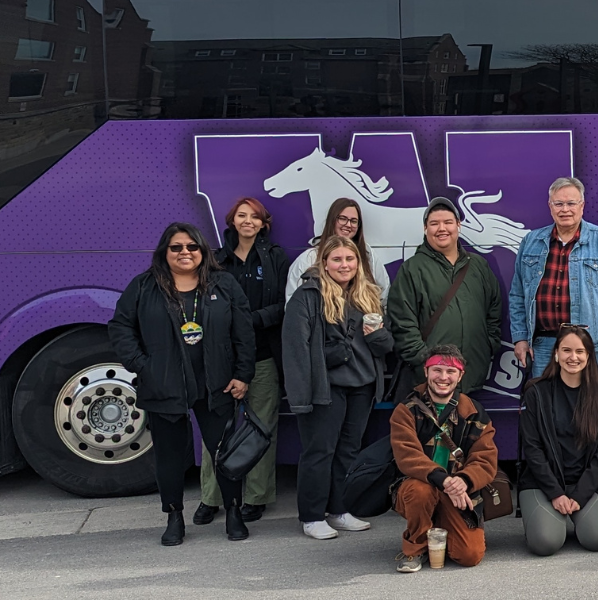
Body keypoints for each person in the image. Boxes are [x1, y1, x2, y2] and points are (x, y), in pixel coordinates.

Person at [107, 223, 256, 545]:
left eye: (192, 246)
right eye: (176, 247)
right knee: (170, 457)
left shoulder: (224, 284)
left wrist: (243, 375)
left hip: (216, 384)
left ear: (203, 251)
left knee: (225, 454)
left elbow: (244, 333)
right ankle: (174, 516)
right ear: (165, 252)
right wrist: (143, 367)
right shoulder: (144, 287)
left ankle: (233, 512)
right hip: (164, 386)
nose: (185, 253)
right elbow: (120, 328)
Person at [282, 236, 394, 540]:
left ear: (358, 263)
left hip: (362, 386)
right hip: (325, 389)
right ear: (324, 263)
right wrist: (300, 396)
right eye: (337, 259)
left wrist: (376, 335)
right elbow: (295, 349)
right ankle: (312, 516)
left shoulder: (367, 295)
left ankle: (340, 509)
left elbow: (386, 346)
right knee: (320, 452)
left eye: (350, 259)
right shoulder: (308, 296)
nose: (344, 265)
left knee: (348, 450)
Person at [190, 198, 291, 526]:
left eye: (255, 217)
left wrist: (248, 320)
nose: (248, 221)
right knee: (215, 429)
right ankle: (211, 497)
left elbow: (283, 305)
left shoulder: (275, 257)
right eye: (242, 215)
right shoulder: (215, 260)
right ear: (232, 220)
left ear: (264, 223)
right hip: (222, 360)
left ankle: (256, 496)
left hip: (263, 356)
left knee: (263, 427)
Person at [391, 345, 500, 572]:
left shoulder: (474, 412)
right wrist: (444, 480)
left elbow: (485, 458)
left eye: (451, 372)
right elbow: (407, 455)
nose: (443, 377)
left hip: (457, 489)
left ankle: (439, 527)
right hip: (421, 485)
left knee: (469, 555)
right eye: (437, 370)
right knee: (420, 491)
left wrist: (464, 480)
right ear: (426, 371)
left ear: (460, 375)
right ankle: (415, 548)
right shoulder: (406, 409)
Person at [509, 177, 598, 377]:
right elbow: (517, 295)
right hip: (543, 346)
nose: (565, 209)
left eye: (571, 203)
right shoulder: (531, 242)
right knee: (545, 406)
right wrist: (520, 338)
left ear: (582, 205)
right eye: (559, 204)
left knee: (588, 405)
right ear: (550, 206)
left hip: (588, 345)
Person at [389, 197, 504, 396]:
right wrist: (425, 360)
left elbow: (494, 308)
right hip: (430, 381)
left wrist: (488, 344)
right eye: (434, 223)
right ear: (426, 229)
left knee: (467, 427)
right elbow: (402, 323)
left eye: (448, 222)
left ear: (458, 225)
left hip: (471, 374)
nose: (442, 228)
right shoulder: (412, 269)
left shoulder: (478, 266)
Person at [519, 325, 598, 556]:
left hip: (586, 483)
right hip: (544, 483)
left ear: (588, 355)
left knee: (597, 539)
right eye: (566, 350)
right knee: (545, 543)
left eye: (580, 351)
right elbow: (532, 449)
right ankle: (544, 519)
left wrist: (579, 495)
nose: (573, 357)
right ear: (556, 354)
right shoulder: (536, 392)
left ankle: (575, 514)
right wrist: (556, 493)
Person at [286, 197, 390, 298]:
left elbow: (384, 295)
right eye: (342, 219)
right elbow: (293, 303)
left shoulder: (368, 255)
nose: (348, 224)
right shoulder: (308, 259)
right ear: (332, 220)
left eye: (353, 221)